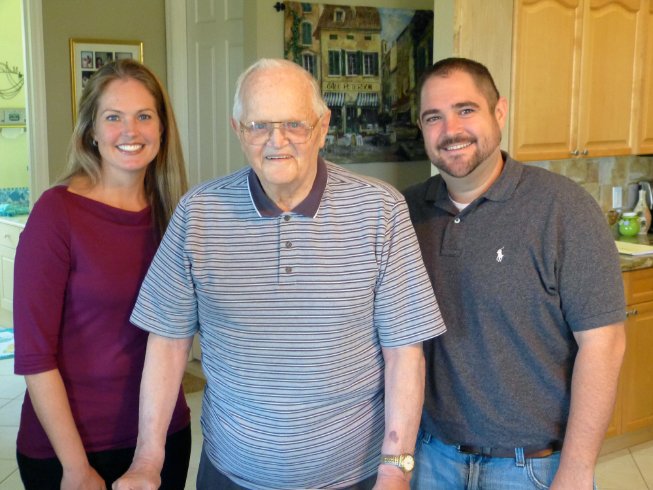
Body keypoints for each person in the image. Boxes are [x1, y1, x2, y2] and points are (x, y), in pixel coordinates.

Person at [113, 58, 446, 490]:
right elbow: (168, 342)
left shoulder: (380, 210)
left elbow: (404, 351)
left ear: (323, 127)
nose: (277, 141)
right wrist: (147, 460)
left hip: (355, 477)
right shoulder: (198, 213)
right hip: (229, 475)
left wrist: (394, 469)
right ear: (237, 129)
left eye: (294, 124)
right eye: (258, 126)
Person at [403, 57, 626, 489]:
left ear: (498, 112)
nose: (451, 130)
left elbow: (604, 345)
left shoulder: (563, 209)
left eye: (465, 110)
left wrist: (577, 470)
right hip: (431, 459)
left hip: (532, 468)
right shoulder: (404, 213)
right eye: (434, 117)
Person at [13, 59, 191, 490]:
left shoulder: (178, 215)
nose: (130, 131)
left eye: (144, 116)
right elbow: (35, 356)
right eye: (113, 117)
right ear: (91, 131)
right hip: (68, 448)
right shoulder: (58, 214)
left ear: (162, 129)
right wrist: (74, 467)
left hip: (162, 438)